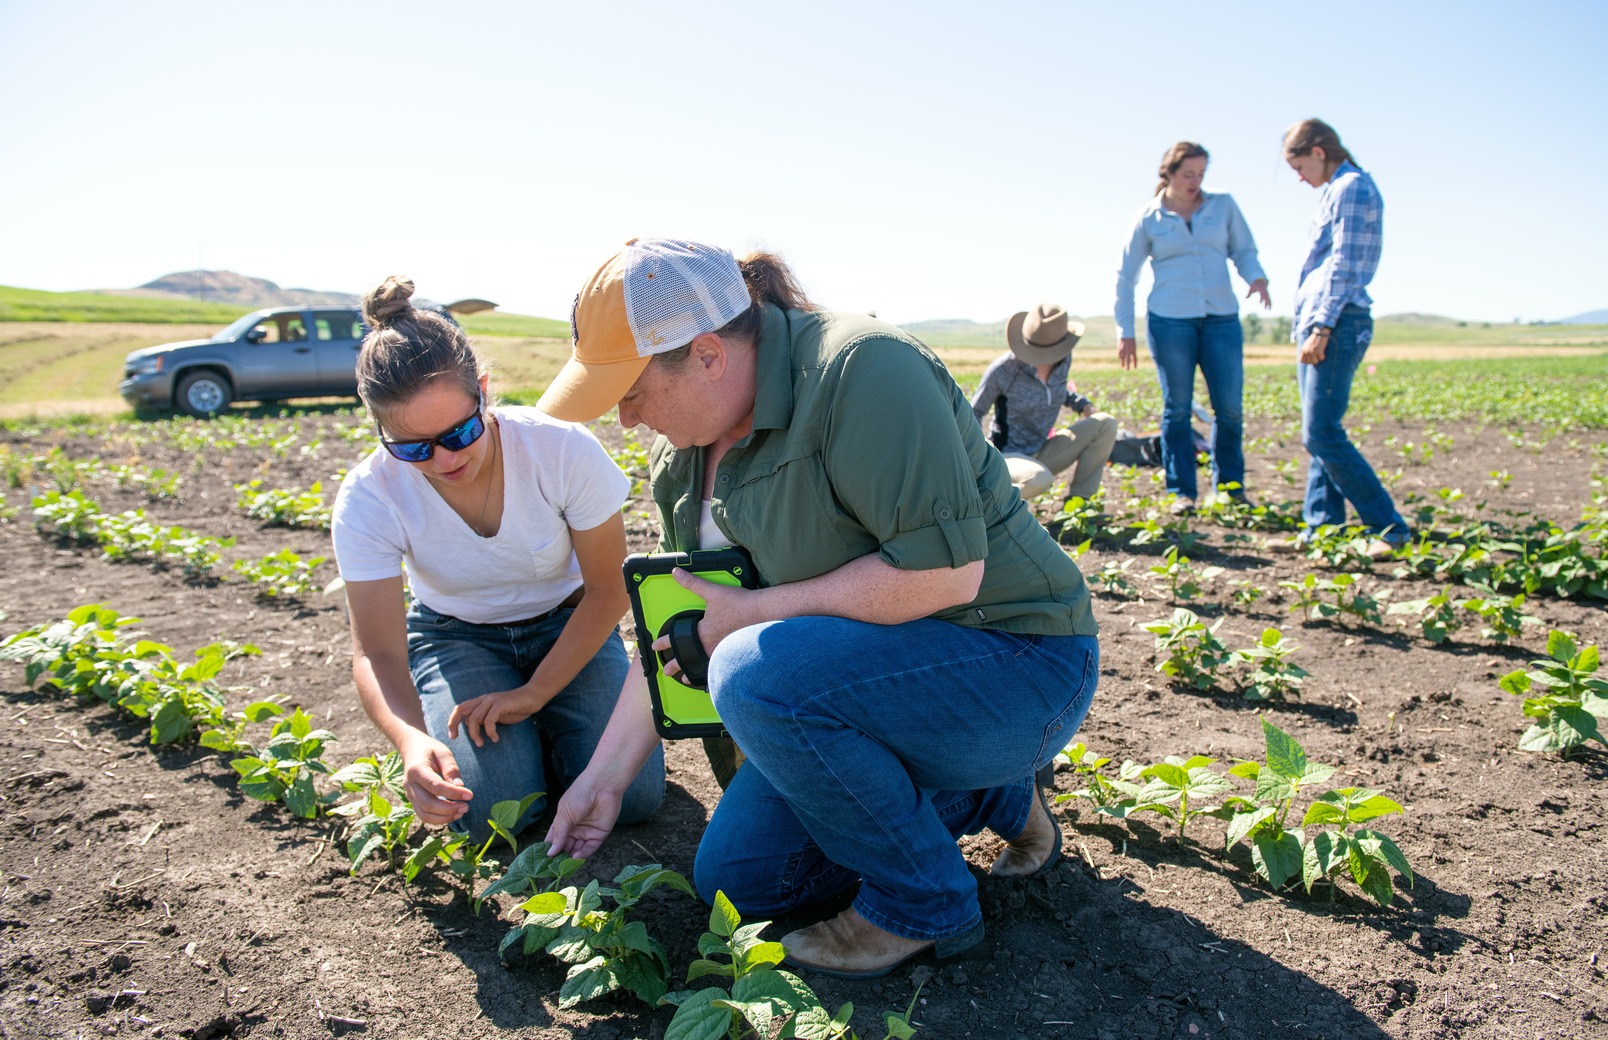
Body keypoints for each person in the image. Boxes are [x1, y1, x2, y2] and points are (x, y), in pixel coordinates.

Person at [538, 238, 1100, 979]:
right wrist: (603, 779)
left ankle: (922, 903)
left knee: (749, 668)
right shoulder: (684, 458)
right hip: (862, 688)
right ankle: (984, 792)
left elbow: (948, 576)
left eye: (632, 394)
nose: (627, 420)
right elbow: (685, 624)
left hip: (1014, 663)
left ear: (707, 354)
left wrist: (759, 611)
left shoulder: (864, 370)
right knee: (739, 881)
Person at [330, 276, 664, 842]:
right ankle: (529, 748)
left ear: (483, 391)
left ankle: (541, 728)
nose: (440, 460)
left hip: (569, 622)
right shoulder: (369, 496)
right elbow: (378, 651)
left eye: (458, 433)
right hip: (456, 637)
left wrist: (534, 693)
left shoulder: (559, 449)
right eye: (412, 447)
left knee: (632, 799)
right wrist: (411, 740)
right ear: (381, 431)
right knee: (484, 813)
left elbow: (607, 593)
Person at [1273, 119, 1408, 559]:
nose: (1298, 177)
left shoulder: (1351, 187)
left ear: (1317, 151)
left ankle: (1389, 528)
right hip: (1320, 320)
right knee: (1317, 434)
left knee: (1322, 432)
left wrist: (1322, 327)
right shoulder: (1338, 188)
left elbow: (1345, 267)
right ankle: (1322, 530)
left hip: (1336, 322)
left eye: (1298, 166)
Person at [1114, 141, 1271, 514]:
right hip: (1170, 321)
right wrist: (1126, 331)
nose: (1195, 182)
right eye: (1188, 174)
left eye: (1201, 174)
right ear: (1167, 174)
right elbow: (1125, 277)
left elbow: (1244, 250)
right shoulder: (1148, 218)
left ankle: (1231, 489)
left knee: (1229, 408)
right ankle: (1182, 492)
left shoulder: (1223, 206)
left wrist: (1257, 278)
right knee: (1178, 409)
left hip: (1221, 319)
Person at [970, 303, 1118, 502]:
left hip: (1044, 450)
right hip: (1008, 456)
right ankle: (979, 504)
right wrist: (983, 454)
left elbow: (1056, 390)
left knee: (1106, 423)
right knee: (1039, 479)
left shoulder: (1063, 361)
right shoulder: (1003, 370)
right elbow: (975, 411)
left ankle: (1080, 506)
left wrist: (1083, 405)